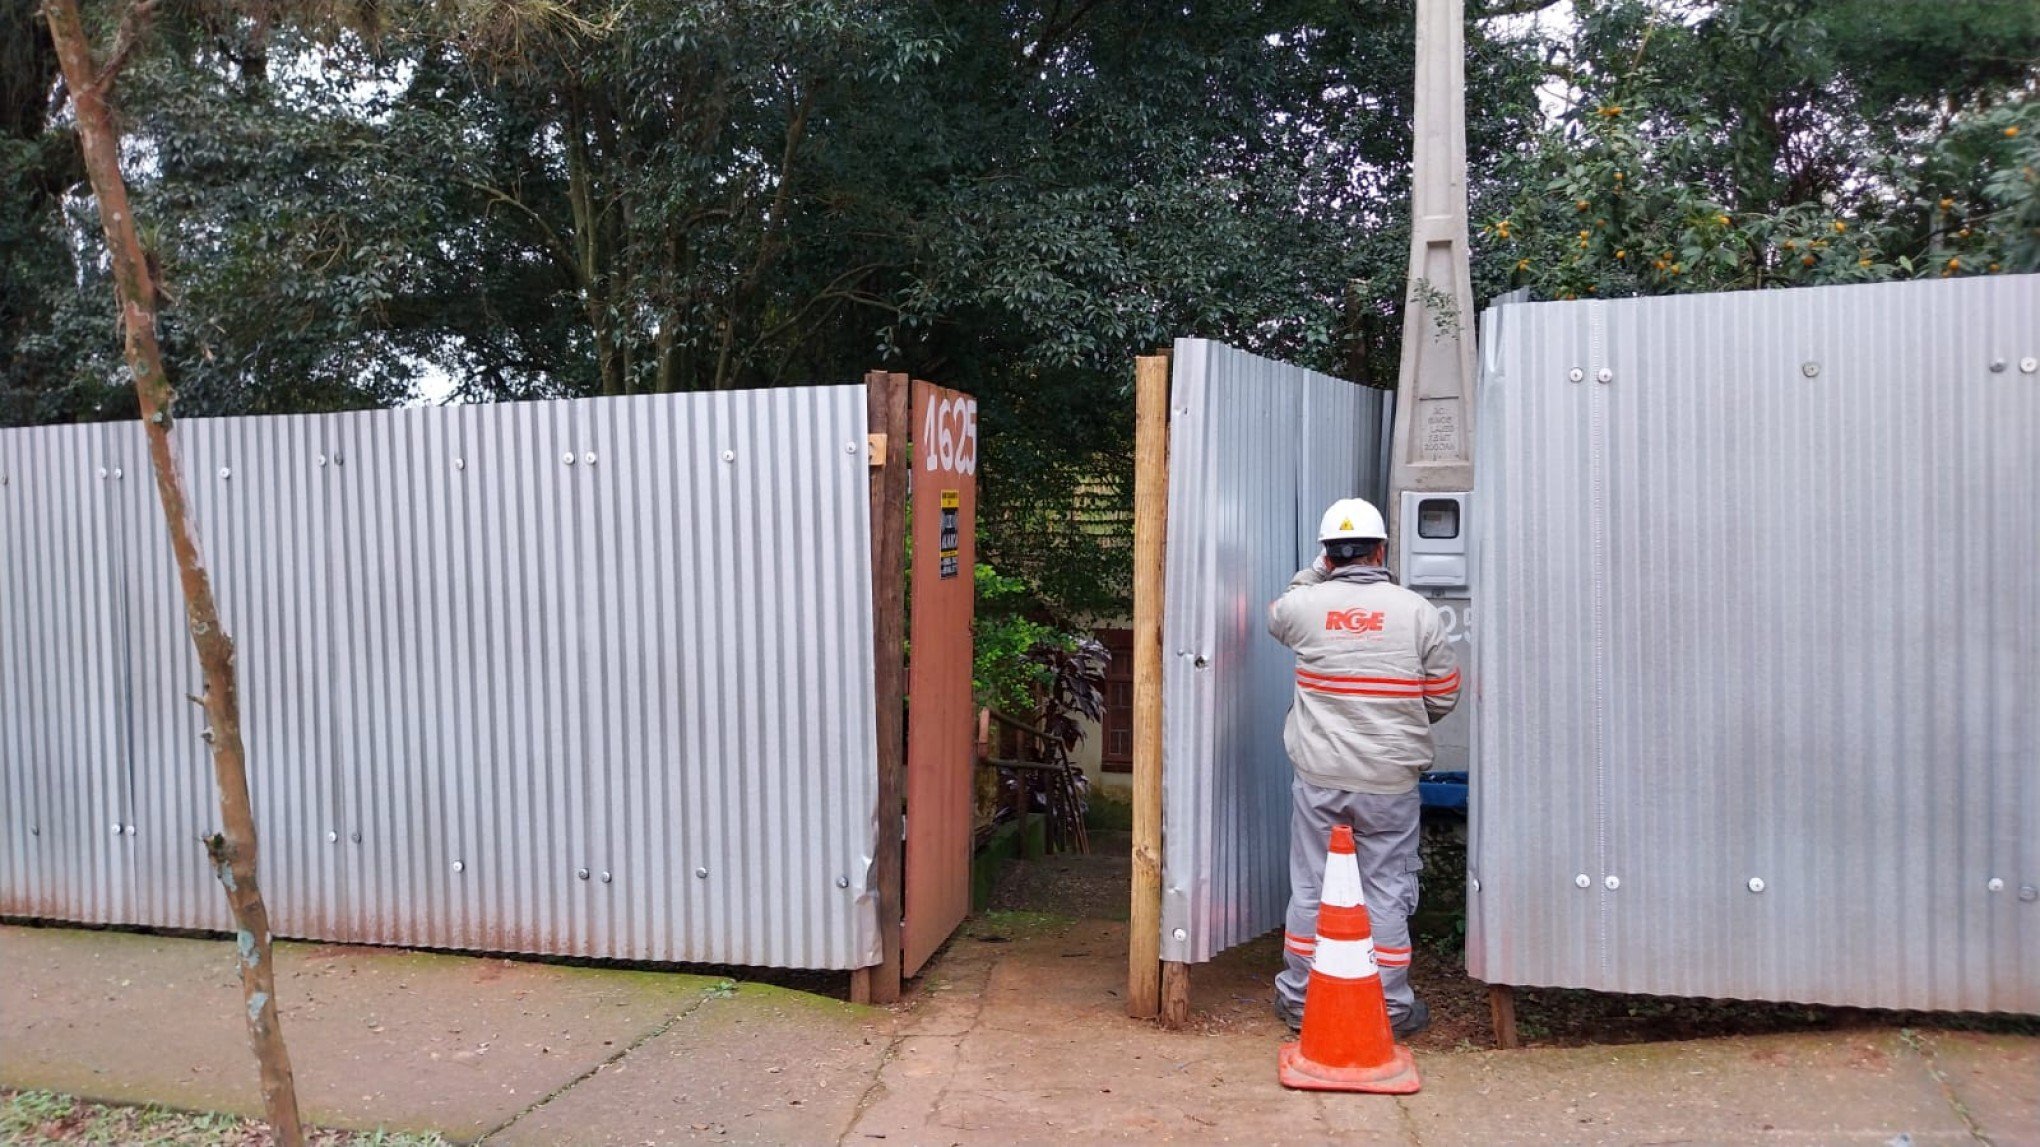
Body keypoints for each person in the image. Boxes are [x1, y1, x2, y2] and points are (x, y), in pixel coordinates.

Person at [1266, 497, 1460, 1038]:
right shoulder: (1417, 610)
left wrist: (1315, 574)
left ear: (1328, 555)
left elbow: (1280, 610)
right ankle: (1392, 1008)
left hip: (1321, 778)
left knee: (1310, 886)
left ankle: (1299, 1000)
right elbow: (1445, 694)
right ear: (1381, 551)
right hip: (1389, 780)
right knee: (1384, 891)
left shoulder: (1305, 607)